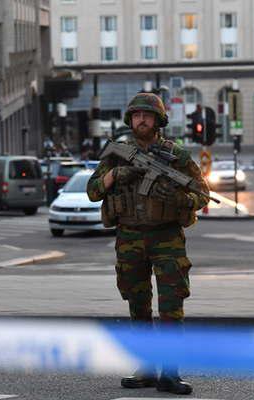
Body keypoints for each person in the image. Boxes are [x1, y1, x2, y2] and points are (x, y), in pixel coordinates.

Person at [87, 92, 209, 395]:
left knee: (171, 306)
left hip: (166, 237)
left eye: (148, 115)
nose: (142, 120)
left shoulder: (176, 155)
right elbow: (92, 191)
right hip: (129, 237)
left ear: (159, 120)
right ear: (130, 120)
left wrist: (180, 198)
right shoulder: (116, 153)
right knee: (137, 303)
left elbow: (203, 194)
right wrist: (116, 174)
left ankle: (170, 372)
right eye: (137, 115)